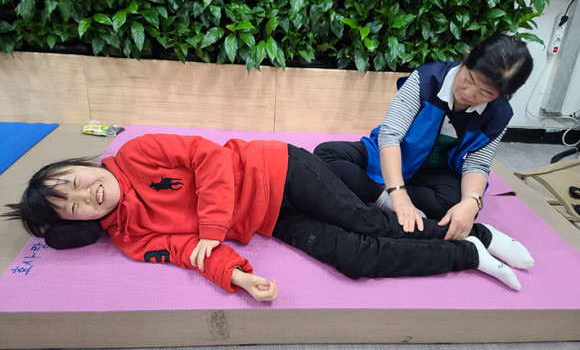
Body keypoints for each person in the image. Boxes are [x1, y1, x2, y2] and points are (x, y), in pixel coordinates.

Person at [5, 133, 534, 301]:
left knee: (370, 224)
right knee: (354, 259)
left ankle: (478, 229)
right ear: (79, 223)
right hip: (267, 219)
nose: (86, 194)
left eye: (74, 181)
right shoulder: (130, 237)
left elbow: (210, 159)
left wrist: (212, 228)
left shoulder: (137, 152)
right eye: (72, 206)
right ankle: (468, 253)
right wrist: (234, 275)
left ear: (81, 164)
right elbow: (190, 255)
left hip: (278, 168)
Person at [314, 33, 533, 241]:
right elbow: (390, 135)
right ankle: (385, 201)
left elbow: (477, 164)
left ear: (502, 96)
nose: (469, 93)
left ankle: (376, 198)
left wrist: (472, 201)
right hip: (393, 156)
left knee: (458, 207)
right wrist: (397, 194)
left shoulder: (499, 114)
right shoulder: (426, 79)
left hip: (436, 171)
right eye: (469, 78)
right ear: (464, 60)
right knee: (326, 154)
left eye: (485, 93)